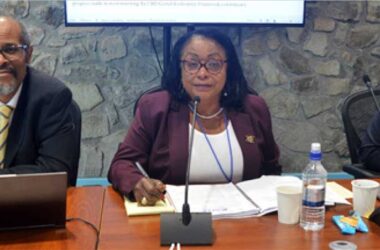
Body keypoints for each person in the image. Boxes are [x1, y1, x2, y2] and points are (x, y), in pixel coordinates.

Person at [108, 28, 282, 205]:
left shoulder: (253, 108)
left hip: (246, 221)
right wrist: (138, 183)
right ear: (180, 67)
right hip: (175, 221)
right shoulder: (155, 107)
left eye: (214, 64)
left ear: (229, 68)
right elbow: (121, 164)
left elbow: (271, 171)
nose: (202, 73)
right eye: (192, 64)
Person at [0, 16, 81, 185]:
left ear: (28, 54)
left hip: (28, 204)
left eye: (10, 49)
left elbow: (56, 171)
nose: (1, 60)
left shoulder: (52, 97)